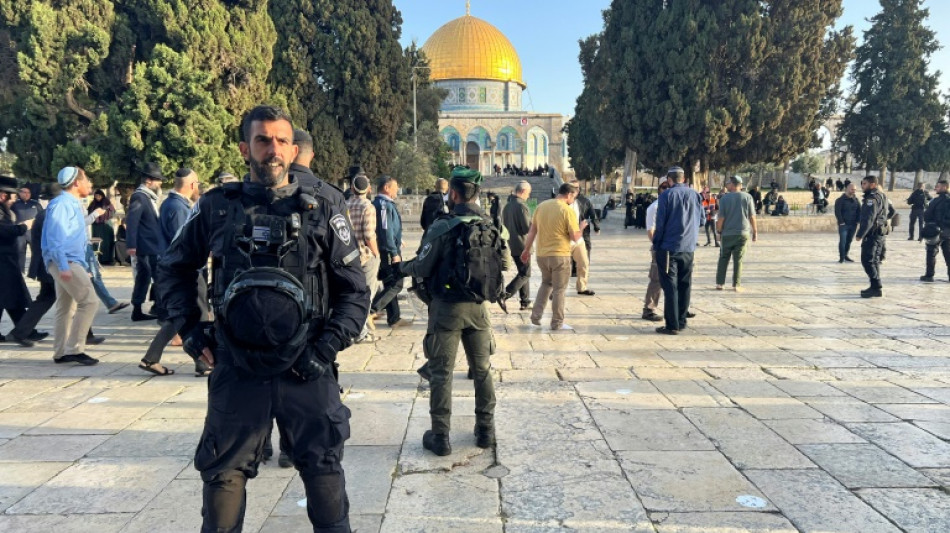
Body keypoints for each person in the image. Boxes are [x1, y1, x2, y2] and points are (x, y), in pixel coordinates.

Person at [156, 105, 368, 532]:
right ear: (244, 148)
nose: (272, 150)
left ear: (294, 150)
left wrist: (325, 349)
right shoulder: (217, 206)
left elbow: (355, 291)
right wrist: (192, 332)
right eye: (262, 140)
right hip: (237, 368)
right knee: (222, 483)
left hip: (307, 368)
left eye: (281, 141)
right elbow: (173, 268)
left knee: (325, 478)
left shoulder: (325, 206)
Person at [398, 167, 504, 456]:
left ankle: (441, 436)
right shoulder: (490, 224)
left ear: (453, 194)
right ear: (477, 194)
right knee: (482, 370)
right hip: (479, 310)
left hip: (446, 310)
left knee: (442, 373)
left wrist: (400, 267)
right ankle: (485, 431)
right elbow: (503, 264)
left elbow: (421, 266)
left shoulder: (442, 226)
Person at [140, 168, 203, 377]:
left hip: (173, 268)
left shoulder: (171, 203)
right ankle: (152, 358)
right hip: (178, 270)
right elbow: (184, 241)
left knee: (188, 315)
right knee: (184, 315)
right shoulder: (178, 207)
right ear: (192, 185)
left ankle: (201, 362)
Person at [42, 167, 100, 365]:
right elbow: (55, 236)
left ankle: (61, 353)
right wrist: (64, 265)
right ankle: (74, 348)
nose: (90, 185)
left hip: (69, 261)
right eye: (87, 181)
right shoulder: (61, 204)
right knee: (90, 302)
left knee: (66, 307)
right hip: (66, 261)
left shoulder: (71, 204)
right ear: (76, 183)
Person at [521, 182, 582, 331]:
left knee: (546, 283)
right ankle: (557, 322)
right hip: (560, 255)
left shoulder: (541, 207)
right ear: (569, 194)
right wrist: (582, 228)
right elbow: (574, 237)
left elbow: (532, 231)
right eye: (574, 197)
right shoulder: (567, 211)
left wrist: (526, 250)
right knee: (559, 290)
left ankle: (536, 316)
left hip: (542, 255)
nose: (573, 200)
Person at [653, 167, 703, 334]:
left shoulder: (666, 195)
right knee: (685, 284)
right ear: (684, 178)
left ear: (669, 179)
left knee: (670, 286)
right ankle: (681, 321)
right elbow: (702, 220)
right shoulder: (695, 195)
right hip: (689, 247)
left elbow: (660, 224)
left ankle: (672, 324)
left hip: (669, 247)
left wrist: (656, 243)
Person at [126, 162, 168, 321]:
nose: (160, 183)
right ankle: (158, 309)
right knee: (155, 276)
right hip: (146, 246)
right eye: (157, 180)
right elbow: (132, 221)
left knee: (147, 276)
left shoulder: (148, 197)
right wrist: (131, 244)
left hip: (152, 244)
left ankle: (145, 308)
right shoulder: (139, 196)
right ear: (149, 180)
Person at [369, 175, 411, 328]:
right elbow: (385, 231)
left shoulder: (384, 204)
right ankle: (371, 310)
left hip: (389, 247)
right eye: (395, 187)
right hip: (387, 250)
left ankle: (394, 318)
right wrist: (394, 252)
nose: (397, 190)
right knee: (396, 283)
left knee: (389, 284)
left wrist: (399, 240)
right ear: (386, 188)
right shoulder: (383, 205)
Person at [345, 170, 380, 343]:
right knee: (367, 294)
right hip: (365, 255)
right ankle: (361, 331)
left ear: (352, 188)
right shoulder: (368, 207)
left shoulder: (344, 205)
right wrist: (376, 253)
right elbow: (368, 235)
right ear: (368, 189)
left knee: (352, 294)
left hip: (348, 255)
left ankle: (351, 328)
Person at [0, 175, 32, 340]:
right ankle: (25, 331)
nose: (14, 199)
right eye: (12, 196)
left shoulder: (4, 209)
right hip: (2, 260)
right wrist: (23, 227)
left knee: (12, 296)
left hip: (6, 259)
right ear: (3, 195)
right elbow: (2, 231)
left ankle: (26, 330)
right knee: (11, 295)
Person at [715, 176, 757, 291]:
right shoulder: (748, 197)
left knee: (724, 257)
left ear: (733, 185)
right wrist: (755, 231)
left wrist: (718, 231)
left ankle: (720, 283)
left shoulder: (724, 199)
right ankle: (736, 284)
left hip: (727, 233)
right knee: (738, 259)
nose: (727, 186)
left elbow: (721, 218)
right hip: (743, 232)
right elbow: (752, 217)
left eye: (728, 183)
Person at [855, 175, 888, 298]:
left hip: (872, 234)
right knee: (874, 261)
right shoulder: (882, 195)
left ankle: (876, 286)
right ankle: (875, 287)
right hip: (880, 233)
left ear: (872, 184)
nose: (862, 186)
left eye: (864, 184)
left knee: (867, 260)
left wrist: (860, 234)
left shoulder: (871, 199)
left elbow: (869, 218)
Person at [642, 182, 670, 322]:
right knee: (656, 278)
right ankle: (649, 308)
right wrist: (658, 246)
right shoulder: (654, 207)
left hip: (673, 246)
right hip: (660, 247)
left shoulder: (671, 206)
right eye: (666, 190)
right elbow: (650, 230)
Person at [502, 181, 533, 310]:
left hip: (512, 243)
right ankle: (505, 294)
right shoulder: (521, 206)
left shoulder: (507, 206)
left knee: (523, 272)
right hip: (523, 244)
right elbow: (526, 228)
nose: (529, 196)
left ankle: (525, 301)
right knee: (525, 273)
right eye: (528, 193)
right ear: (523, 191)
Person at [920, 178, 950, 282]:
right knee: (948, 254)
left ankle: (929, 275)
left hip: (936, 230)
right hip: (947, 231)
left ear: (944, 187)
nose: (935, 188)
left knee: (931, 253)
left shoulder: (937, 200)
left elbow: (928, 214)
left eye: (938, 186)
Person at [572, 186, 599, 296]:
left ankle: (582, 286)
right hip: (568, 234)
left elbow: (593, 215)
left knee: (584, 260)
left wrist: (597, 226)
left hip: (583, 233)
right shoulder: (563, 203)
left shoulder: (585, 201)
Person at [11, 184, 42, 273]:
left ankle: (36, 271)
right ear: (20, 193)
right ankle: (20, 271)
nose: (26, 194)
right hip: (20, 232)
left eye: (28, 192)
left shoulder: (36, 204)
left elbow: (41, 216)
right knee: (20, 252)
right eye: (24, 192)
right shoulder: (14, 205)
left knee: (35, 252)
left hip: (32, 233)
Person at [87, 189, 116, 265]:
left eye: (99, 196)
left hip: (106, 225)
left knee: (106, 242)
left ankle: (108, 259)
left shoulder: (107, 203)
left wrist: (104, 213)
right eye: (96, 196)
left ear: (102, 196)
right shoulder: (93, 203)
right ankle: (97, 259)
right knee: (97, 241)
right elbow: (89, 212)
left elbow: (112, 212)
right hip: (96, 226)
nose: (97, 197)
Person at [834, 183, 860, 263]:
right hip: (844, 225)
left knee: (849, 241)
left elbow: (860, 210)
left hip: (853, 224)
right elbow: (837, 212)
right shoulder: (840, 200)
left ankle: (846, 255)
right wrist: (841, 222)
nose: (854, 191)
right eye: (852, 189)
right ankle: (841, 257)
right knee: (843, 241)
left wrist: (858, 220)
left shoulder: (856, 199)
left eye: (855, 190)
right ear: (847, 189)